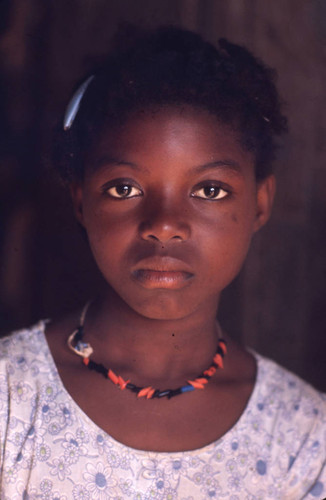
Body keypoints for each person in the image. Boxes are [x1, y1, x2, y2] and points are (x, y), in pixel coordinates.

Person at [0, 25, 325, 500]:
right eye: (124, 188)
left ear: (259, 202)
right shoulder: (11, 399)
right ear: (81, 201)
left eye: (209, 191)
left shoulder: (302, 439)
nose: (165, 224)